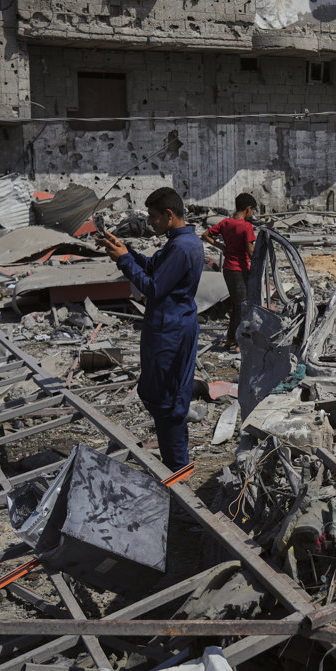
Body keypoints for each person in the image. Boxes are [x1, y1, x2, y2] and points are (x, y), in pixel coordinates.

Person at [100, 187, 204, 473]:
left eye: (154, 218)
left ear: (170, 216)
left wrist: (124, 260)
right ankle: (177, 466)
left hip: (170, 332)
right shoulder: (179, 243)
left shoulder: (183, 247)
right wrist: (126, 251)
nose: (150, 224)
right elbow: (152, 267)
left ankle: (177, 470)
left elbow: (153, 287)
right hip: (170, 328)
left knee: (167, 401)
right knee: (166, 398)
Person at [204, 193, 257, 352]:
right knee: (242, 307)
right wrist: (260, 257)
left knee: (236, 305)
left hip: (227, 269)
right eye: (252, 210)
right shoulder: (246, 226)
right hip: (240, 270)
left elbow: (205, 235)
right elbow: (250, 251)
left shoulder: (225, 223)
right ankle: (238, 341)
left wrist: (222, 248)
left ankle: (230, 339)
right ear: (248, 209)